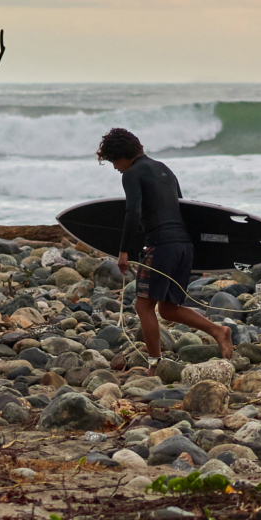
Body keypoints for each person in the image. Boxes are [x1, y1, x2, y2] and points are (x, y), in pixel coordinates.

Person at [97, 127, 233, 371]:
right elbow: (185, 209)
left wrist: (124, 251)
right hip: (183, 246)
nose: (115, 167)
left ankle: (154, 363)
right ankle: (218, 331)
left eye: (114, 161)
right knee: (168, 309)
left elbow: (133, 212)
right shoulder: (165, 170)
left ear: (121, 155)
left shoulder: (131, 174)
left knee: (143, 305)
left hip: (161, 246)